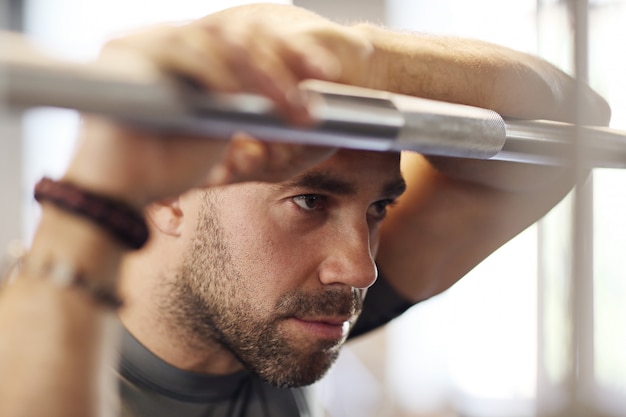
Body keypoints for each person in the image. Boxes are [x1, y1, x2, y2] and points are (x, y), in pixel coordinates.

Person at [0, 3, 610, 417]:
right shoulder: (28, 335)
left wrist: (354, 58)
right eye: (309, 201)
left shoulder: (274, 326)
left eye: (377, 208)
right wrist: (98, 188)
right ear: (167, 196)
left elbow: (574, 121)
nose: (360, 268)